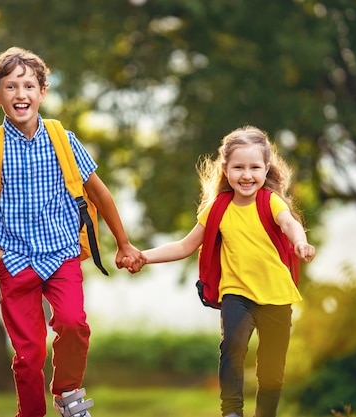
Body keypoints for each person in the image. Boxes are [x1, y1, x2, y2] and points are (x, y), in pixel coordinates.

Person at [0, 46, 144, 417]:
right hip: (15, 260)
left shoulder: (63, 140)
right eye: (10, 87)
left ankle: (67, 392)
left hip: (61, 253)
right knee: (29, 354)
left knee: (73, 324)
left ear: (43, 91)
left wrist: (123, 243)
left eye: (28, 85)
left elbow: (99, 192)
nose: (20, 94)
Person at [126, 125, 315, 417]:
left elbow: (290, 223)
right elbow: (185, 245)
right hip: (237, 294)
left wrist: (300, 242)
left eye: (254, 167)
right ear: (225, 169)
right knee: (233, 345)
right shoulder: (218, 208)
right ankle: (231, 412)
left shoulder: (270, 202)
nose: (247, 175)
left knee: (271, 371)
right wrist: (143, 257)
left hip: (276, 297)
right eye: (238, 167)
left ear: (267, 169)